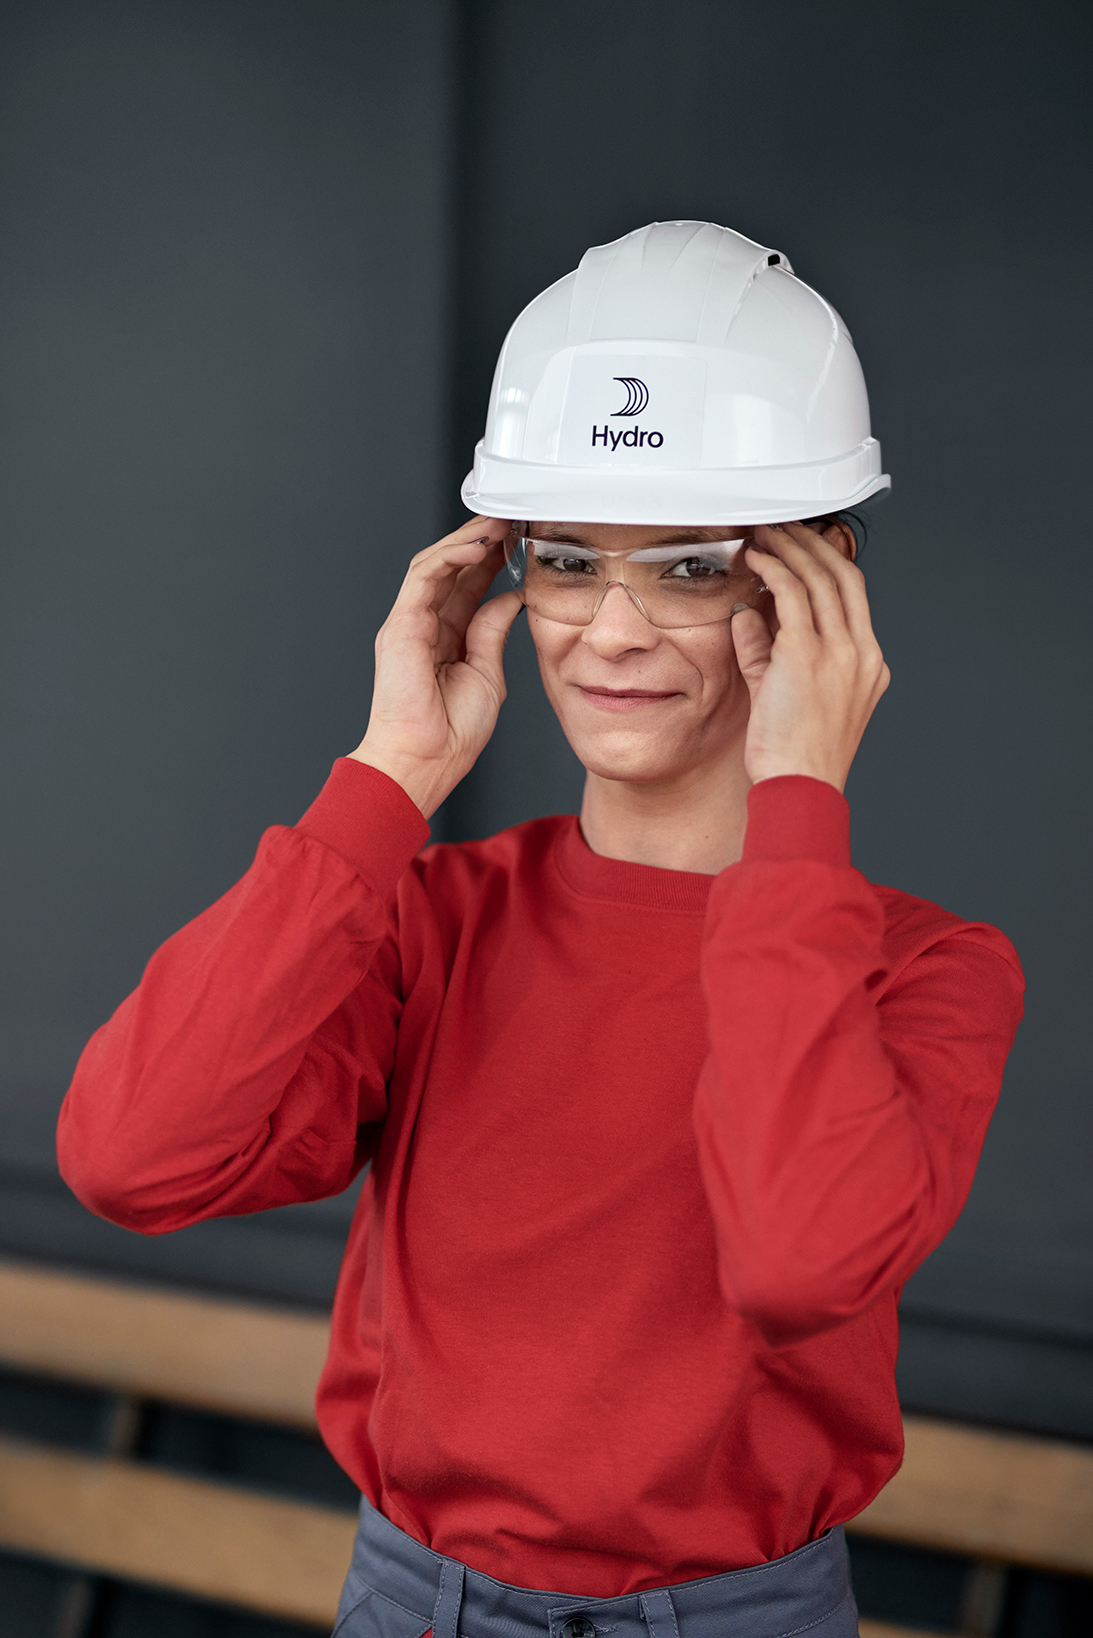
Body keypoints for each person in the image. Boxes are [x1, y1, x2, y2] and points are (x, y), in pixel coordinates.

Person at [58, 223, 1024, 1638]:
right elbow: (130, 1156)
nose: (609, 632)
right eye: (568, 560)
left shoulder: (926, 970)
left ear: (815, 589)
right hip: (412, 1603)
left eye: (687, 568)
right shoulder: (430, 917)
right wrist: (385, 785)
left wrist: (798, 799)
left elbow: (796, 1258)